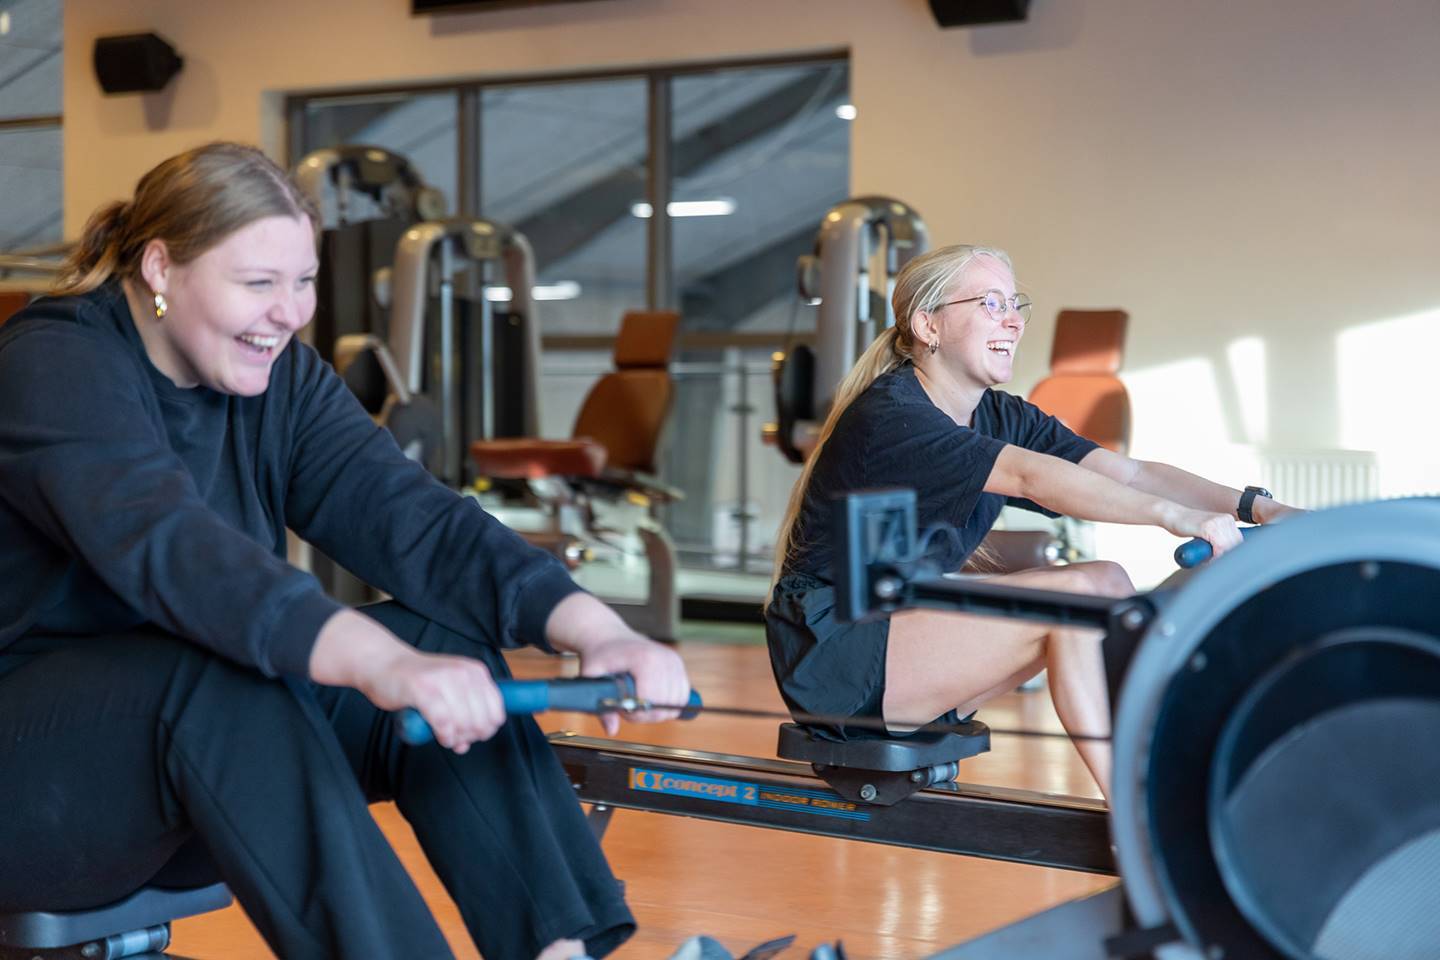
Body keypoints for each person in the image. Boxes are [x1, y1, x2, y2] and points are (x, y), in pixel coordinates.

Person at [0, 141, 691, 960]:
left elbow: (415, 520)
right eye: (258, 284)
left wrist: (591, 627)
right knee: (221, 676)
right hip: (39, 789)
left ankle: (561, 952)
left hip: (198, 765)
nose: (290, 312)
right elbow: (173, 551)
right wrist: (375, 663)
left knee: (439, 639)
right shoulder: (56, 363)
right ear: (160, 268)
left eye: (302, 281)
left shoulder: (279, 379)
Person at [764, 243, 1298, 798]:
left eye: (1015, 303)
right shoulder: (895, 416)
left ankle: (1175, 773)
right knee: (1072, 602)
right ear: (929, 325)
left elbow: (1131, 474)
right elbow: (1028, 478)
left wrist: (1256, 507)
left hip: (901, 633)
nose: (1014, 320)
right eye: (990, 303)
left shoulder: (998, 413)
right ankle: (1138, 810)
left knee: (1106, 582)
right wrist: (1179, 518)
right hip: (834, 655)